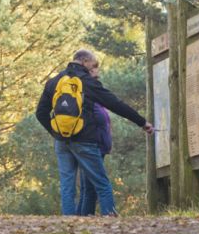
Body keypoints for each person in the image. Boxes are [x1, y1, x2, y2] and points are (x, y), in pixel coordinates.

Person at [35, 50, 154, 216]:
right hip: (85, 140)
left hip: (61, 141)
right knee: (101, 182)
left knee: (67, 184)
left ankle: (69, 223)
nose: (95, 68)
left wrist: (56, 132)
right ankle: (109, 218)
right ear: (84, 61)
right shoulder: (87, 82)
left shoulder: (54, 82)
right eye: (94, 64)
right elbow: (115, 104)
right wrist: (142, 122)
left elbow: (40, 113)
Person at [77, 64, 111, 216]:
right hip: (93, 147)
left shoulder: (97, 102)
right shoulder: (89, 100)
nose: (98, 81)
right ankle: (100, 215)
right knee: (92, 187)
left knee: (87, 187)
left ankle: (81, 218)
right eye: (95, 77)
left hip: (98, 147)